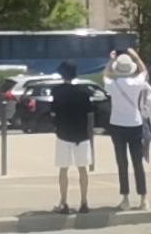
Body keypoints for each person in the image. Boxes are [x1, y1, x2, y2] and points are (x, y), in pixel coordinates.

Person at [105, 49, 150, 210]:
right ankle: (143, 198)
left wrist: (111, 60)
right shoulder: (136, 83)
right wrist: (136, 57)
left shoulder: (113, 84)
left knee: (122, 162)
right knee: (138, 162)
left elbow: (106, 74)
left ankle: (125, 198)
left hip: (117, 124)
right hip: (135, 124)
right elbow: (144, 71)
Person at [51, 61, 93, 214]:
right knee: (83, 169)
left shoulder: (57, 91)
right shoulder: (84, 92)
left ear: (62, 75)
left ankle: (63, 203)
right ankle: (84, 202)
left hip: (63, 134)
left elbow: (53, 111)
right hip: (82, 135)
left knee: (63, 169)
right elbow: (90, 112)